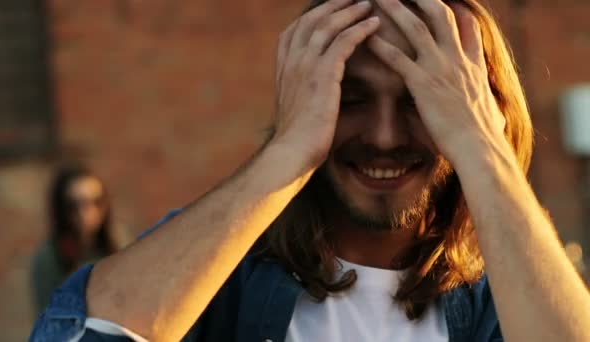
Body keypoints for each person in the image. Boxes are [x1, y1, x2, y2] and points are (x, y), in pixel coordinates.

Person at [31, 0, 590, 341]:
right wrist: (289, 150)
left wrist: (482, 150)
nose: (385, 136)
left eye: (423, 100)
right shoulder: (222, 278)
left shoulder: (503, 300)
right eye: (351, 98)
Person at [30, 164, 125, 317]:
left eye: (96, 201)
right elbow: (48, 319)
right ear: (61, 209)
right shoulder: (49, 258)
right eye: (75, 205)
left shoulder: (120, 245)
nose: (87, 212)